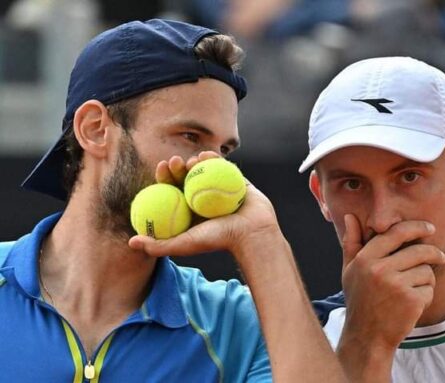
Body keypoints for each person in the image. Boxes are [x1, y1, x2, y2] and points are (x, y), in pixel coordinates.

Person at [0, 19, 347, 382]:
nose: (211, 167)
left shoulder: (236, 322)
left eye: (223, 150)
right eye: (189, 136)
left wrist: (264, 242)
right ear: (95, 129)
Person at [299, 56, 445, 382]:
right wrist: (365, 344)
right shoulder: (285, 349)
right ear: (321, 196)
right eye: (352, 184)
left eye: (409, 177)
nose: (382, 219)